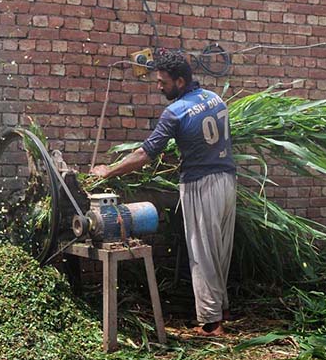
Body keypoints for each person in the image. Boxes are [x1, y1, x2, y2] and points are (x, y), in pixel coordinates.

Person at [91, 49, 237, 337]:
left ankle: (211, 324)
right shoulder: (215, 98)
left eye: (163, 82)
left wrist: (108, 171)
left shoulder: (176, 111)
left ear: (180, 82)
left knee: (202, 252)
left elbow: (146, 154)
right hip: (227, 179)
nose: (159, 86)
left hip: (200, 183)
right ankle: (223, 309)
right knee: (220, 248)